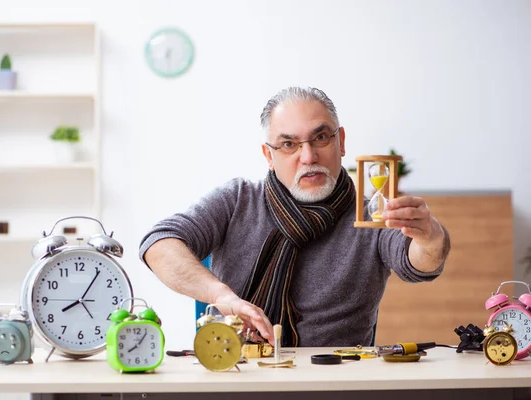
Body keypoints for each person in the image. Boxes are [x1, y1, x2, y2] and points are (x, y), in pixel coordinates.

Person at [139, 87, 450, 347]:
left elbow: (419, 263)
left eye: (320, 138)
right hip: (239, 375)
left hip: (336, 385)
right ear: (268, 156)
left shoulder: (371, 213)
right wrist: (222, 296)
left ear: (340, 142)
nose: (308, 156)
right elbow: (159, 244)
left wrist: (430, 236)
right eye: (289, 144)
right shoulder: (237, 200)